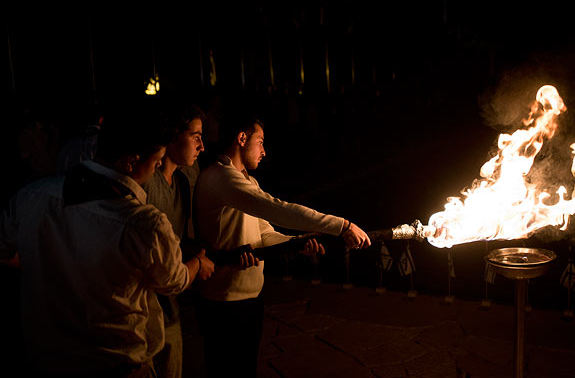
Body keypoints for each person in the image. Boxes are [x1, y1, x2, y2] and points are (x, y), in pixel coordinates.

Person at [0, 99, 215, 377]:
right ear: (131, 161)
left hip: (46, 358)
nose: (156, 169)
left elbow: (5, 251)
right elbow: (173, 281)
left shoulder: (32, 196)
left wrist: (52, 270)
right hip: (117, 362)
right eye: (156, 162)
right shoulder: (143, 222)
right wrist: (197, 262)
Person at [193, 111, 371, 378]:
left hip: (249, 296)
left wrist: (296, 243)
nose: (264, 151)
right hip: (223, 300)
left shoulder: (247, 182)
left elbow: (264, 232)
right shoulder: (221, 177)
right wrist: (341, 225)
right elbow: (277, 209)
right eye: (260, 141)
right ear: (241, 138)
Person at [141, 101, 209, 378]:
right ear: (173, 136)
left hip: (172, 306)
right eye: (196, 137)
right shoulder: (146, 181)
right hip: (146, 311)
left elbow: (179, 240)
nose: (201, 146)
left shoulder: (182, 181)